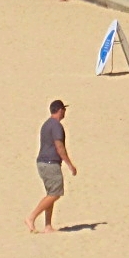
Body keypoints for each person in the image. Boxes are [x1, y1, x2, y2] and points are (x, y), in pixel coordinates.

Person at [27, 100, 77, 233]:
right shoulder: (56, 126)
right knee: (55, 194)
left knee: (51, 194)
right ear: (60, 110)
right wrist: (70, 164)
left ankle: (48, 226)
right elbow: (59, 146)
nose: (65, 112)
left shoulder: (46, 124)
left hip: (43, 163)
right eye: (64, 110)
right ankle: (31, 217)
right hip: (50, 163)